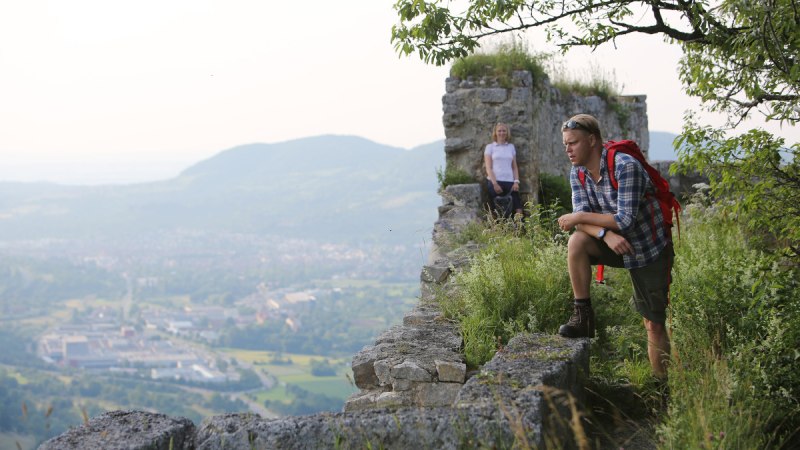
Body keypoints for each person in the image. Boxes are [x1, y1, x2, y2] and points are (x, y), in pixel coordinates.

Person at [556, 114, 674, 379]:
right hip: (614, 241)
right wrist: (603, 234)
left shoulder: (624, 166)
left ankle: (661, 388)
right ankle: (583, 317)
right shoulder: (578, 173)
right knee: (577, 242)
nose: (568, 149)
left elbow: (624, 219)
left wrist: (579, 217)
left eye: (573, 143)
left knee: (653, 324)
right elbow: (582, 225)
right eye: (565, 144)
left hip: (648, 247)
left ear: (592, 140)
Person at [484, 123, 523, 217]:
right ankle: (496, 229)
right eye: (499, 131)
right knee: (495, 208)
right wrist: (495, 184)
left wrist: (516, 181)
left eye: (504, 131)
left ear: (507, 133)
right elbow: (488, 167)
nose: (502, 133)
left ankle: (519, 228)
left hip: (510, 181)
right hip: (494, 181)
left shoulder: (511, 147)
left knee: (518, 206)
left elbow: (514, 167)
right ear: (495, 133)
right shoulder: (490, 147)